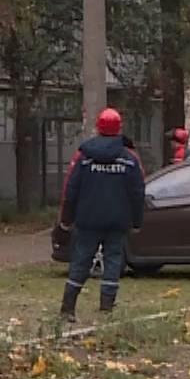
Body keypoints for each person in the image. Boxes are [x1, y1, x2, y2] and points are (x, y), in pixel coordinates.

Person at [57, 107, 145, 321]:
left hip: (87, 219)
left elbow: (71, 188)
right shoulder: (129, 158)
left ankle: (68, 308)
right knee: (113, 261)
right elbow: (138, 192)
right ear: (119, 128)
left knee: (81, 261)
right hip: (117, 221)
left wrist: (66, 219)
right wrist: (137, 220)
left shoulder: (84, 156)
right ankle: (106, 307)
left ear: (98, 127)